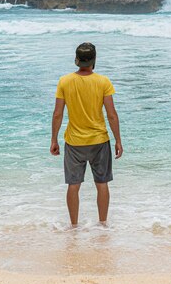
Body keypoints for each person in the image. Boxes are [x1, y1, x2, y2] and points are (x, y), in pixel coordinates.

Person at [50, 42, 123, 227]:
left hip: (74, 142)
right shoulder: (103, 81)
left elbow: (58, 113)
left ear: (76, 60)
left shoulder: (64, 81)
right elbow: (112, 115)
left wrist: (54, 139)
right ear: (94, 60)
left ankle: (74, 226)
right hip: (99, 141)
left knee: (73, 186)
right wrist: (118, 141)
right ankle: (103, 224)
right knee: (102, 184)